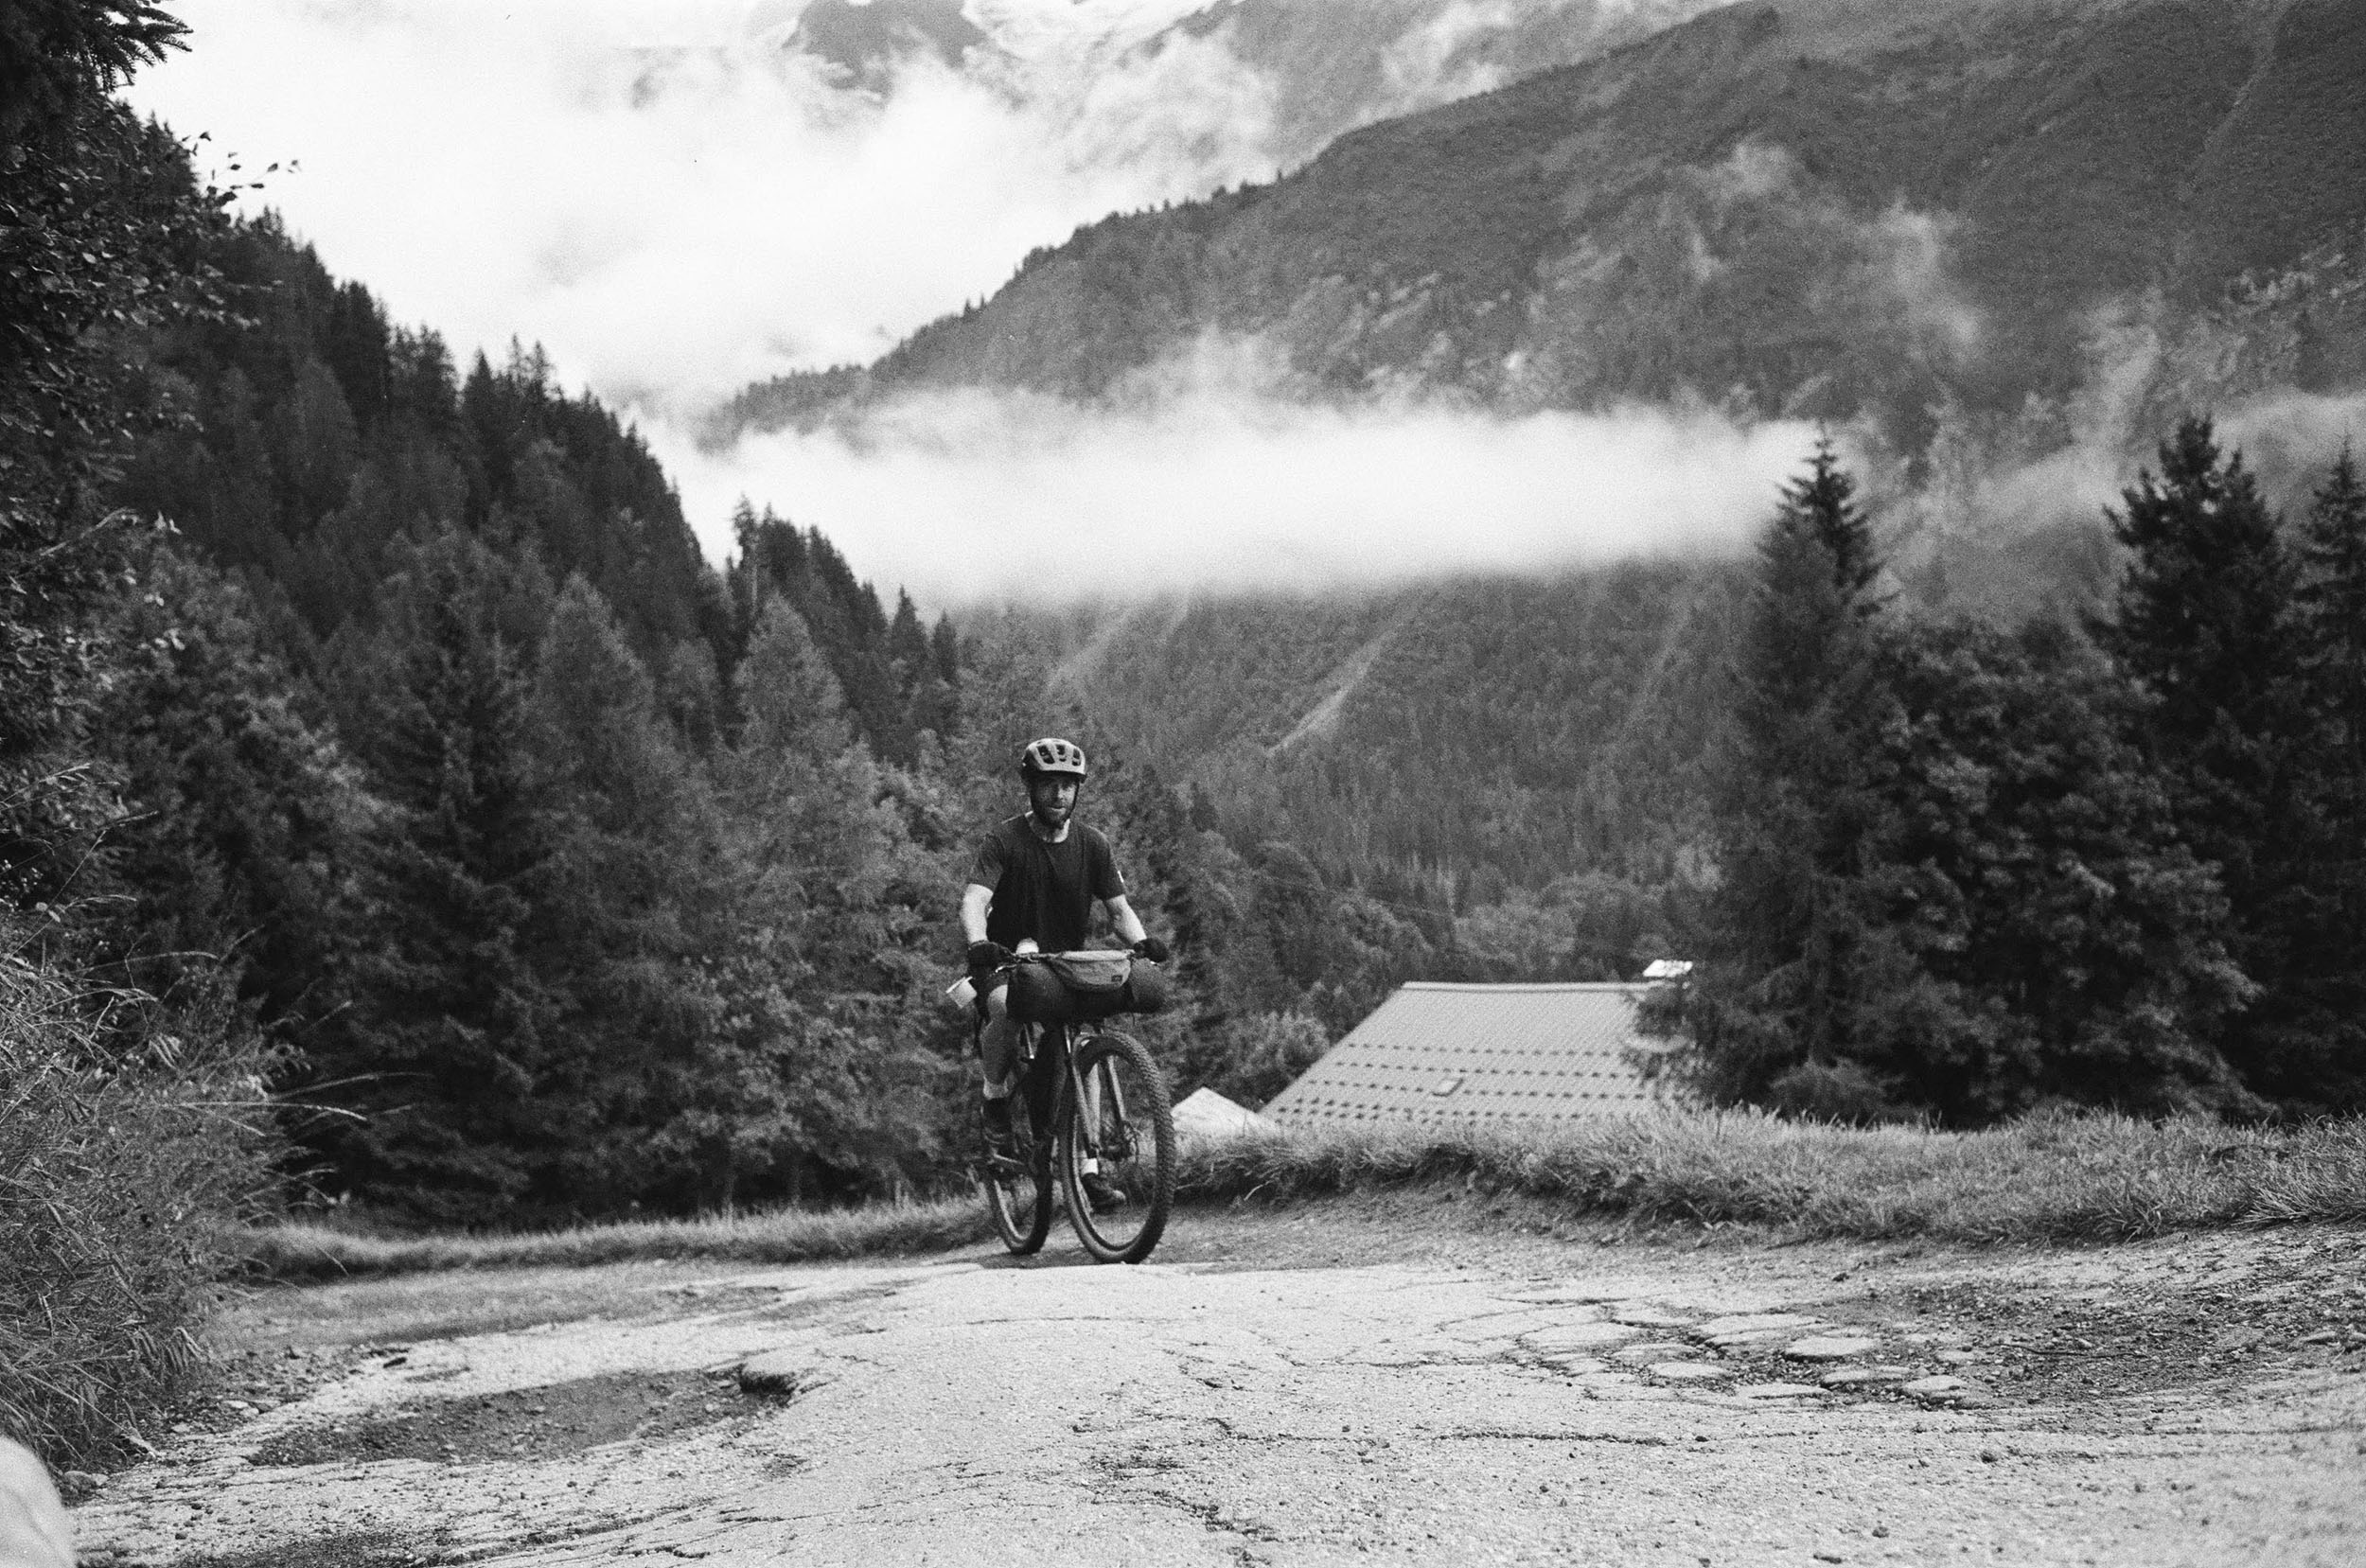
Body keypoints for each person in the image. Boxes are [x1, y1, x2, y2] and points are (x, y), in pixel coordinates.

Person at [961, 737, 1168, 1199]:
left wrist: (1142, 942)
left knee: (1083, 1050)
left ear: (1078, 791)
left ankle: (1088, 1169)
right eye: (1049, 784)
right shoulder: (1004, 841)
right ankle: (994, 1098)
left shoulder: (1093, 844)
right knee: (1006, 1008)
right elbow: (975, 899)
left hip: (1065, 965)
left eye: (1068, 786)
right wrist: (978, 942)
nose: (1059, 794)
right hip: (1005, 960)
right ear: (1031, 787)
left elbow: (1119, 911)